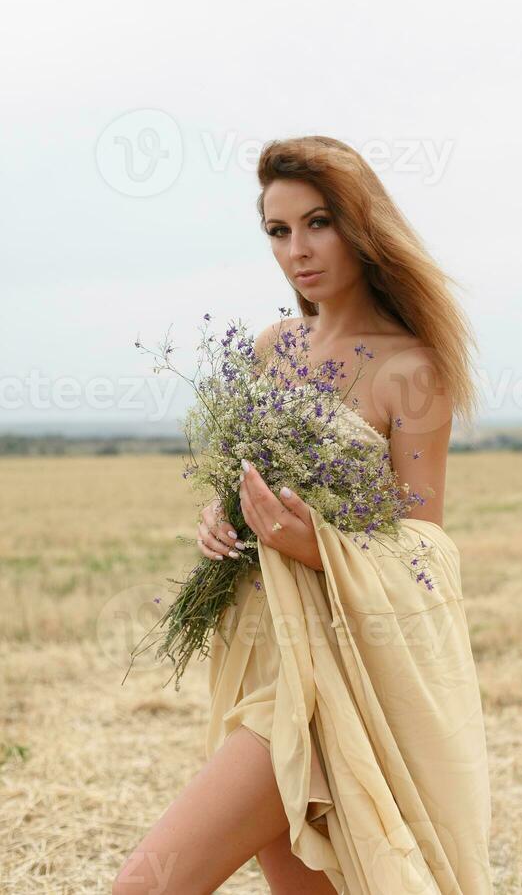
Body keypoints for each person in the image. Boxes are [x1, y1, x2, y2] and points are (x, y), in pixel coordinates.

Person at [113, 136, 493, 894]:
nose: (297, 250)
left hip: (345, 678)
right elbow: (241, 480)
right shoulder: (270, 348)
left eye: (318, 222)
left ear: (362, 224)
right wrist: (219, 520)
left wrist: (314, 544)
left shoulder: (411, 368)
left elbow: (426, 546)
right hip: (264, 650)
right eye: (278, 232)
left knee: (146, 884)